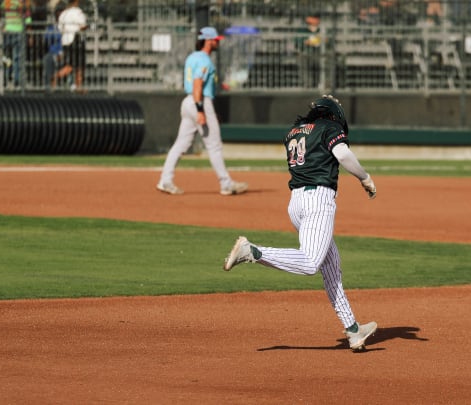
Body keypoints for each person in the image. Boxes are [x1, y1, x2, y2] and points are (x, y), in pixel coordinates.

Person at [223, 94, 378, 352]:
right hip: (318, 200)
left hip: (296, 203)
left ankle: (353, 330)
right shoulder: (330, 127)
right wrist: (365, 177)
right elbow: (342, 154)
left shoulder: (294, 132)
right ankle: (253, 252)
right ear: (333, 114)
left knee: (331, 267)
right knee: (310, 263)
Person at [157, 26, 248, 196]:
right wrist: (201, 110)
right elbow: (198, 83)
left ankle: (165, 180)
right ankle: (226, 183)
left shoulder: (192, 57)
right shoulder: (205, 60)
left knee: (180, 144)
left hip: (188, 101)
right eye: (215, 40)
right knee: (214, 145)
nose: (216, 43)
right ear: (208, 41)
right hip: (199, 101)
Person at [56, 0, 87, 92]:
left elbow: (60, 28)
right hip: (76, 41)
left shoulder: (64, 13)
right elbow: (83, 26)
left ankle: (79, 86)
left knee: (73, 64)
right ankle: (55, 77)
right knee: (77, 65)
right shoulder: (78, 13)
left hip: (65, 41)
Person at [294, 14, 322, 89]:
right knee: (302, 60)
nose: (313, 25)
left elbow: (328, 41)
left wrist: (322, 41)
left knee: (327, 59)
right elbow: (298, 43)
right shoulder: (302, 31)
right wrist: (306, 42)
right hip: (306, 52)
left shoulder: (322, 30)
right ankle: (308, 84)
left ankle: (324, 83)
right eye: (311, 23)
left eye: (315, 23)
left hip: (319, 53)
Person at [42, 6, 63, 91]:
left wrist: (61, 53)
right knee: (48, 58)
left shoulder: (67, 26)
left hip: (64, 52)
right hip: (53, 53)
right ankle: (48, 85)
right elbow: (46, 38)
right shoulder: (51, 28)